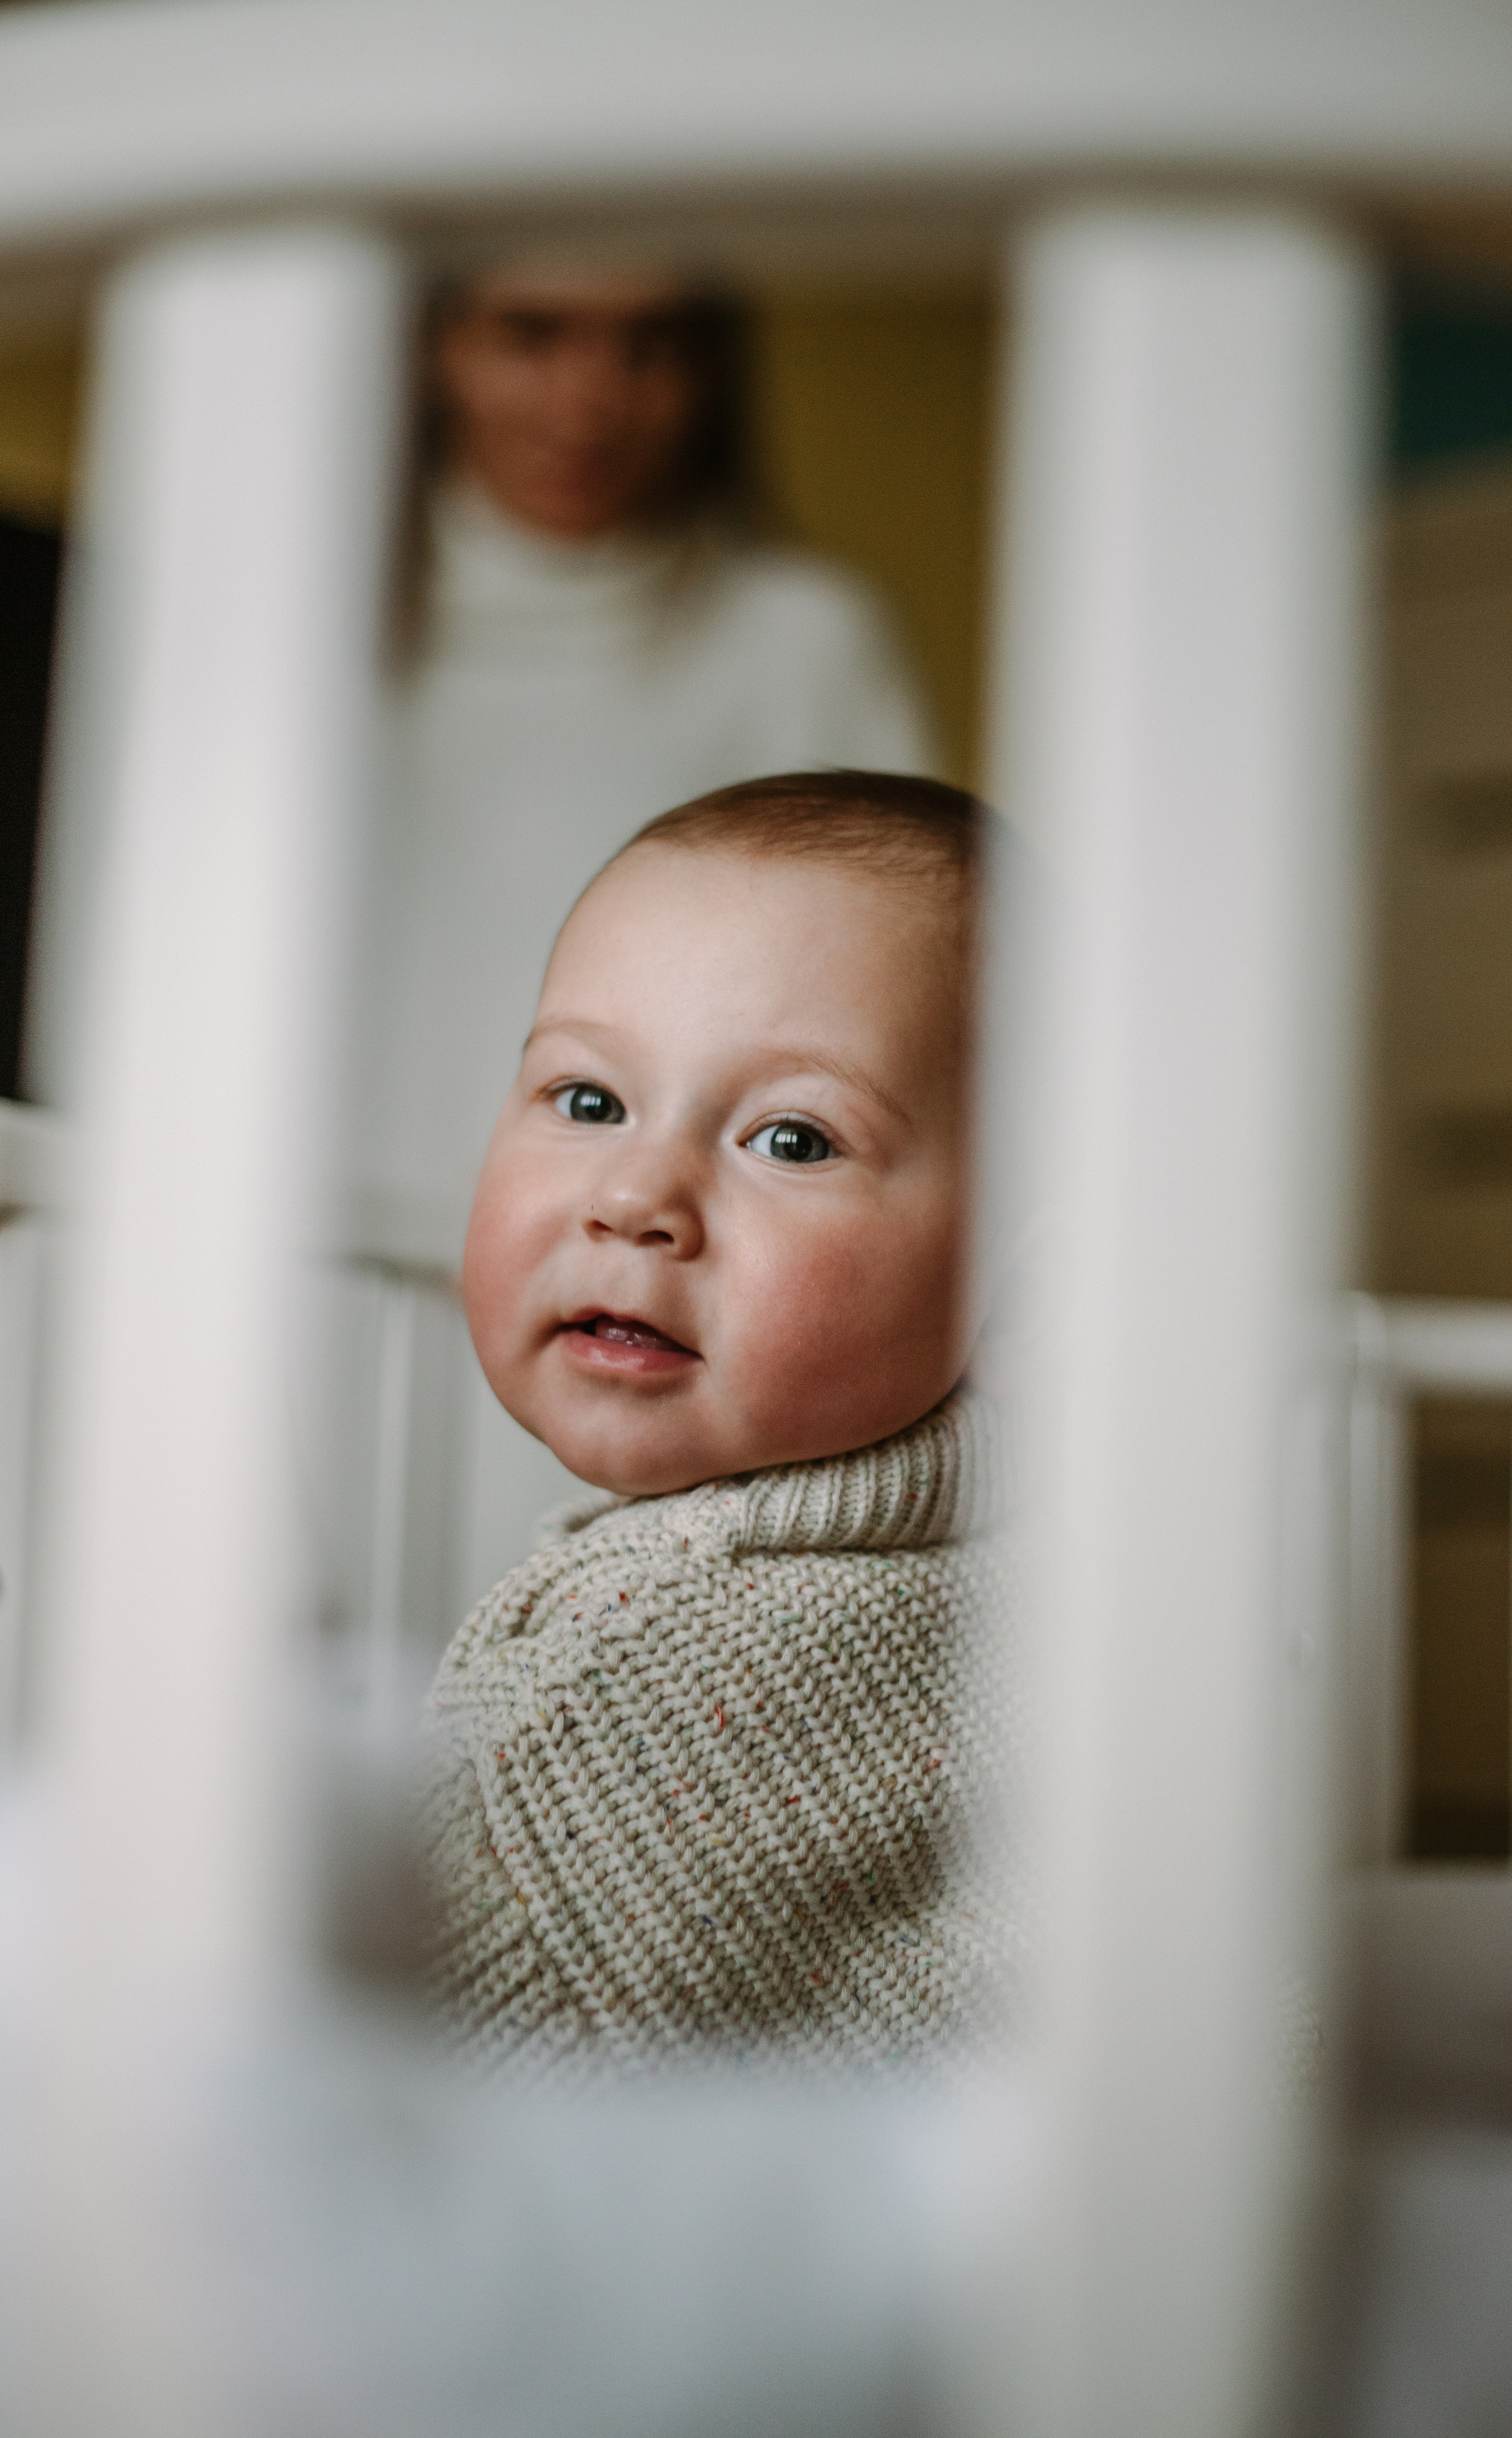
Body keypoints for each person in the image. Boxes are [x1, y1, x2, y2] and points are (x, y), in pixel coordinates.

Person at [416, 771, 1021, 2073]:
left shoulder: (611, 1672)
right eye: (587, 1102)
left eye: (792, 1139)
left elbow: (375, 2060)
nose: (637, 1195)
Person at [356, 266, 939, 1602]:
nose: (587, 399)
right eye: (530, 333)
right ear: (433, 343)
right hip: (333, 1276)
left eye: (649, 346)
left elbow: (920, 1030)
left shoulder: (800, 640)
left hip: (711, 1324)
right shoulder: (281, 625)